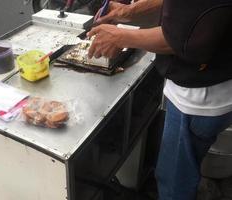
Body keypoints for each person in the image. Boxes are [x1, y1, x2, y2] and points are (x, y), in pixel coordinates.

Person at [88, 0, 232, 199]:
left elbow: (181, 40)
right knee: (184, 165)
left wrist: (120, 37)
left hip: (199, 98)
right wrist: (131, 10)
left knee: (174, 179)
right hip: (215, 87)